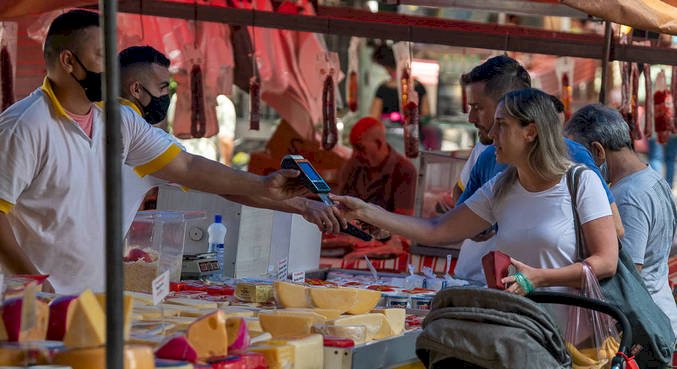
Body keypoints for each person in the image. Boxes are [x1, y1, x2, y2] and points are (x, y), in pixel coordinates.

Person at [0, 11, 340, 294]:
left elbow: (188, 165)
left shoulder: (117, 122)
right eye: (102, 55)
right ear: (69, 62)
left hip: (92, 301)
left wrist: (265, 186)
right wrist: (37, 288)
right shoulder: (25, 126)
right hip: (29, 304)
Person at [333, 88, 619, 331]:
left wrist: (540, 277)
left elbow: (606, 262)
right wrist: (364, 211)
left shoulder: (581, 182)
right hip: (517, 331)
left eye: (502, 125)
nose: (492, 134)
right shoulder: (501, 187)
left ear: (530, 131)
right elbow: (436, 230)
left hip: (568, 338)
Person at [118, 45, 343, 237]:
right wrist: (280, 192)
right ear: (136, 88)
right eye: (162, 88)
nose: (165, 96)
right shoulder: (129, 123)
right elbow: (194, 170)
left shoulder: (103, 117)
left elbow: (221, 184)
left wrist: (303, 205)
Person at [453, 55, 623, 283]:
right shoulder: (487, 156)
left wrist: (547, 268)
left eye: (478, 107)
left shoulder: (576, 164)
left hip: (555, 304)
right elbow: (453, 218)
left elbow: (613, 234)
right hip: (481, 283)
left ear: (512, 104)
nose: (472, 117)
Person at [564, 104, 677, 336]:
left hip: (642, 328)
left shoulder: (627, 197)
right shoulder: (652, 179)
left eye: (579, 157)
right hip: (659, 314)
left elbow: (627, 276)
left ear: (597, 152)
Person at [336, 116, 417, 216]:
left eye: (360, 148)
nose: (355, 154)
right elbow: (340, 204)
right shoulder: (353, 164)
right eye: (354, 148)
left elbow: (404, 220)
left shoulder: (404, 170)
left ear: (378, 143)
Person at [369, 44, 430, 123]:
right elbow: (426, 115)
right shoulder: (419, 87)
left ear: (387, 67)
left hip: (389, 133)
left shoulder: (383, 89)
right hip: (414, 133)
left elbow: (374, 117)